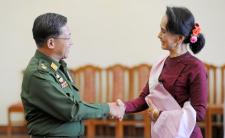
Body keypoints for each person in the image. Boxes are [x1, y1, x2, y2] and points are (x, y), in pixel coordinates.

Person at [20, 13, 124, 138]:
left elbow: (74, 104)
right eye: (67, 38)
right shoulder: (39, 73)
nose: (71, 43)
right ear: (51, 43)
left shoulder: (56, 67)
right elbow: (71, 110)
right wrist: (108, 108)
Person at [116, 6, 208, 138]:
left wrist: (159, 115)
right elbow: (144, 99)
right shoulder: (160, 63)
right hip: (161, 133)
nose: (158, 35)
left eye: (163, 31)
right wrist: (123, 107)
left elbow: (199, 113)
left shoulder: (196, 67)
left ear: (179, 39)